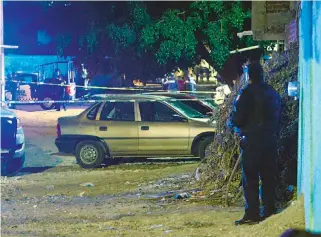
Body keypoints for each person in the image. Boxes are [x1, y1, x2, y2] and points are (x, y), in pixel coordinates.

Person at [228, 62, 282, 225]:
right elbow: (279, 116)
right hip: (270, 140)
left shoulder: (246, 93)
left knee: (250, 178)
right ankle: (269, 210)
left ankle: (252, 213)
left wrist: (233, 125)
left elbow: (237, 118)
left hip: (252, 140)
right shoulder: (272, 92)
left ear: (249, 75)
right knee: (268, 177)